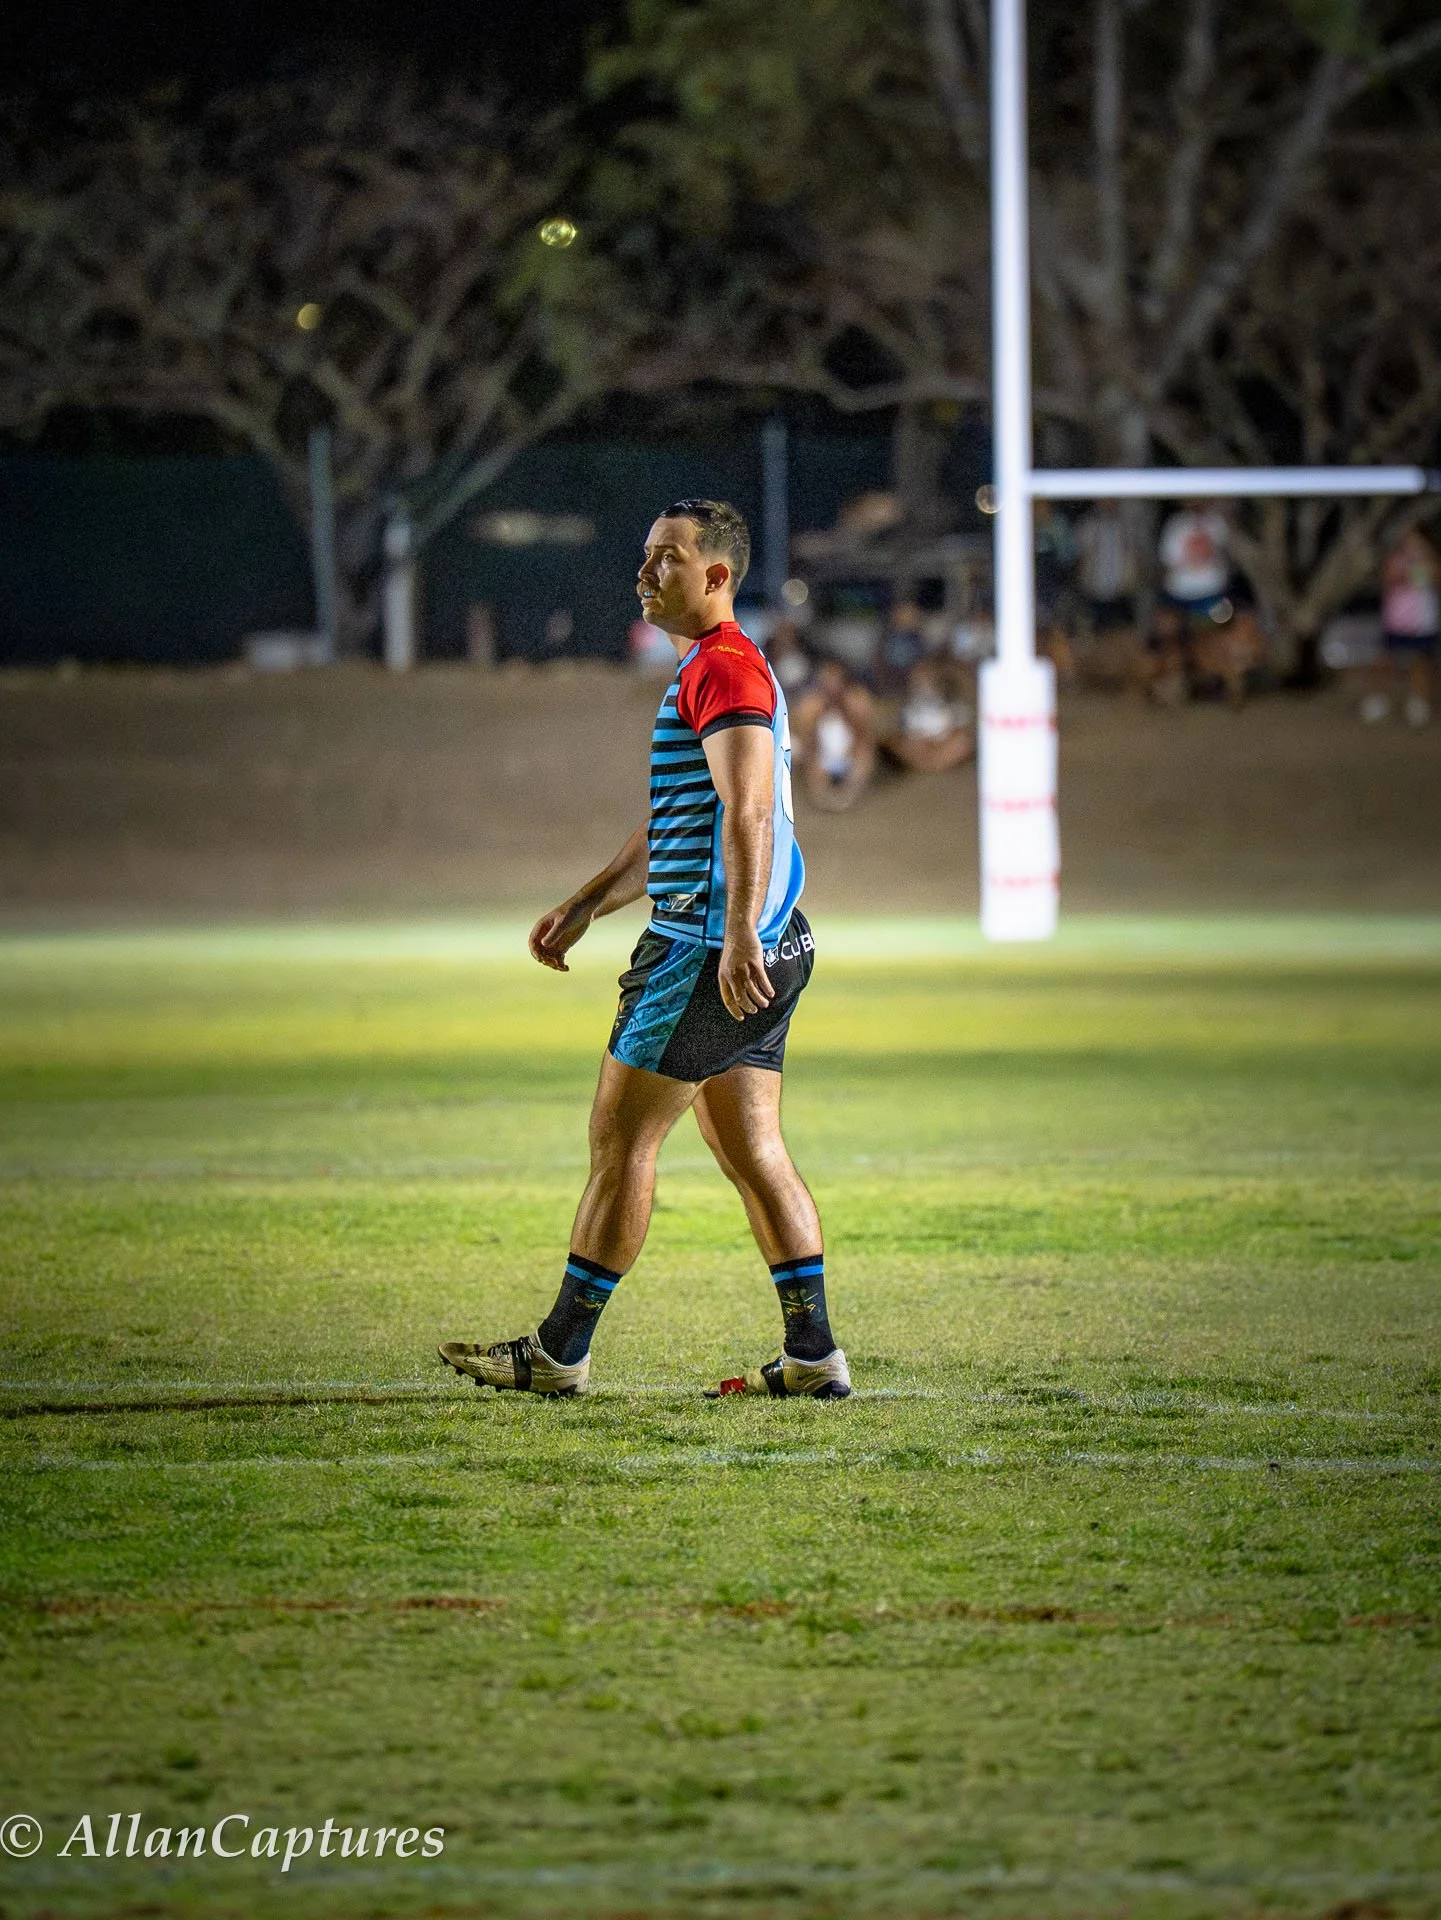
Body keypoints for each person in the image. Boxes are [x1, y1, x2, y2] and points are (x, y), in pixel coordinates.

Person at [439, 500, 849, 1401]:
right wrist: (589, 902)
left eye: (668, 558)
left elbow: (745, 811)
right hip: (769, 941)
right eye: (645, 554)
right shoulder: (713, 669)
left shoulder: (726, 670)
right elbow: (685, 822)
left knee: (621, 1141)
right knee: (751, 1146)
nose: (646, 571)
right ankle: (814, 1355)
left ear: (717, 577)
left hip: (711, 949)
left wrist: (733, 931)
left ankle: (557, 1354)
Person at [1362, 527, 1439, 728]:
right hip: (1396, 620)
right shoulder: (1394, 559)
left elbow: (1435, 581)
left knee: (1419, 662)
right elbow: (1387, 582)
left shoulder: (1431, 559)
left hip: (1422, 621)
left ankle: (1418, 702)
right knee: (1385, 661)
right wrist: (1403, 574)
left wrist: (1425, 567)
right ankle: (1379, 700)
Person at [792, 658, 877, 811]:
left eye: (835, 680)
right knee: (801, 750)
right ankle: (820, 794)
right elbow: (804, 735)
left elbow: (864, 732)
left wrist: (846, 711)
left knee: (866, 752)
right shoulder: (812, 704)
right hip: (821, 755)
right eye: (827, 681)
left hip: (849, 754)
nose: (831, 685)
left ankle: (849, 793)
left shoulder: (856, 700)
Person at [881, 661, 974, 772]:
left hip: (945, 747)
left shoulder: (955, 709)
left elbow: (963, 737)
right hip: (915, 749)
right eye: (918, 681)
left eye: (928, 678)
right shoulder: (906, 712)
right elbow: (893, 737)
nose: (922, 683)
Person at [1159, 500, 1231, 617]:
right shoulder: (1176, 523)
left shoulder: (1217, 522)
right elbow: (1167, 560)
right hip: (1179, 591)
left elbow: (1225, 556)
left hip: (1213, 589)